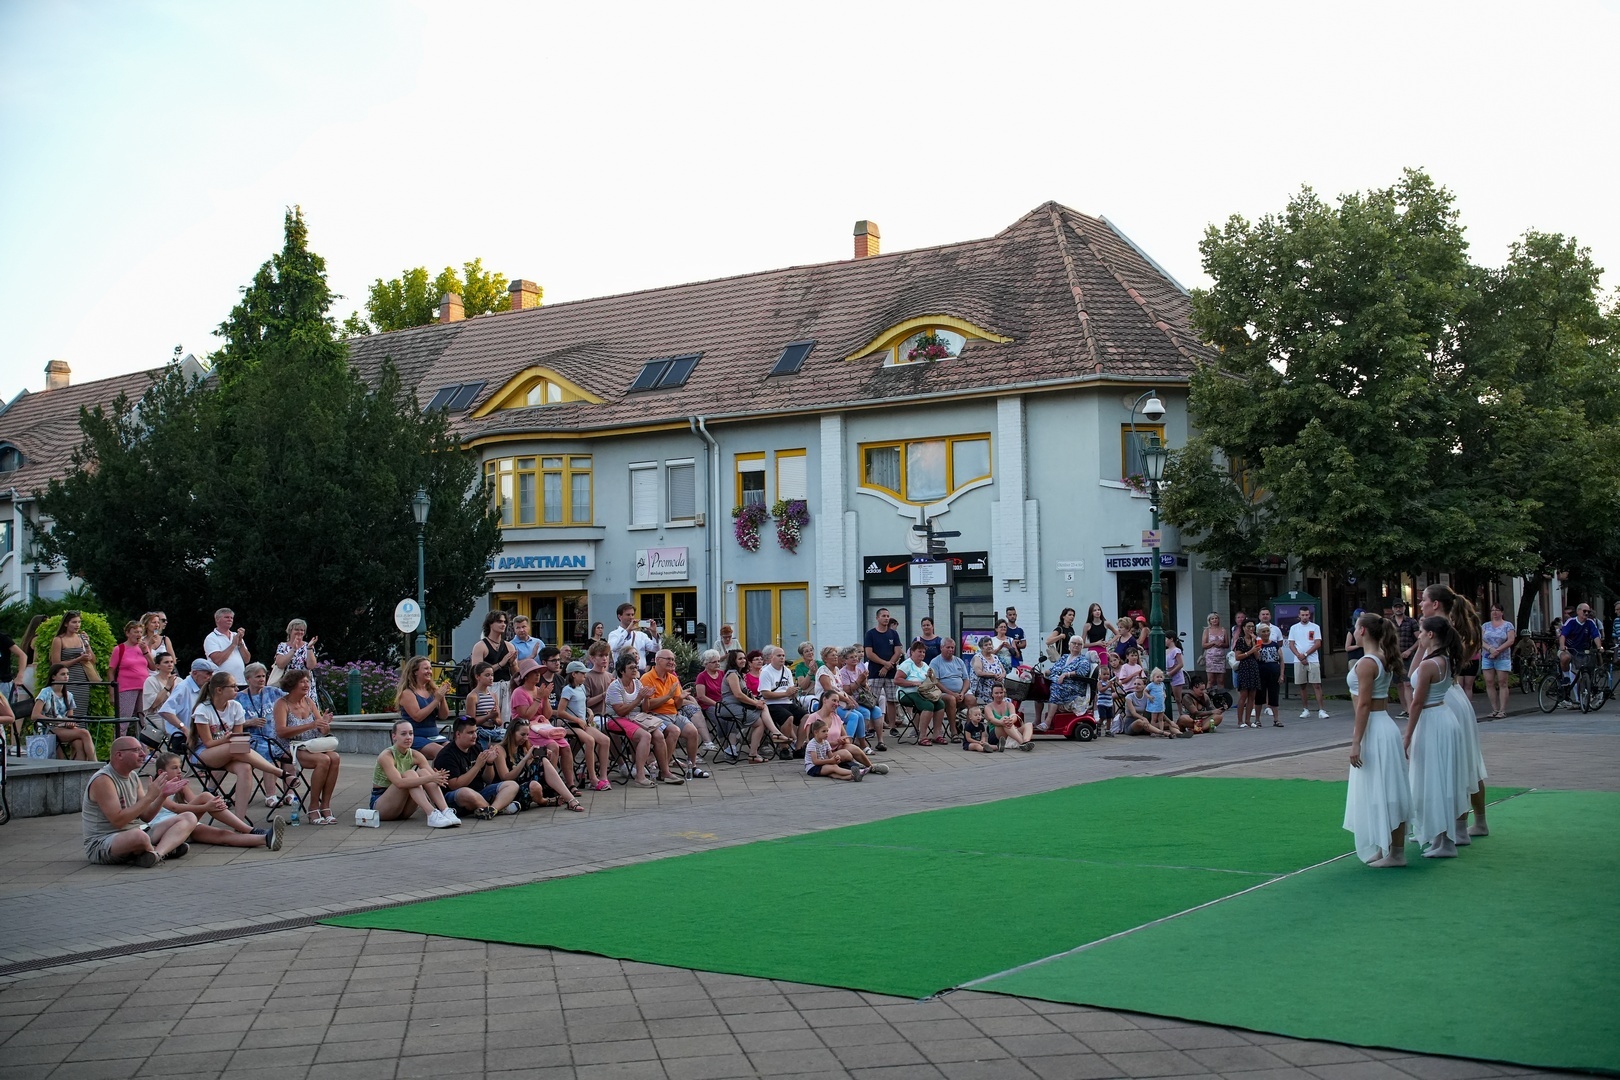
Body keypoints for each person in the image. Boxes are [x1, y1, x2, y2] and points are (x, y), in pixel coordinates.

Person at [1344, 613, 1412, 867]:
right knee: (1383, 787)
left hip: (1375, 726)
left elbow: (1363, 704)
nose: (1354, 630)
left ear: (1362, 631)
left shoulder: (1367, 663)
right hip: (1382, 725)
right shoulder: (1381, 657)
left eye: (1356, 627)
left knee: (1386, 789)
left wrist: (1356, 741)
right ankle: (1388, 847)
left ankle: (1396, 852)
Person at [1421, 583, 1488, 839]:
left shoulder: (1439, 630)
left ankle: (1457, 826)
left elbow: (1421, 671)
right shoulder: (1454, 627)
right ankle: (1475, 822)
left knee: (1451, 764)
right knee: (1468, 761)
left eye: (1424, 600)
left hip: (1444, 698)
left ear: (1435, 604)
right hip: (1454, 695)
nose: (1421, 604)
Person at [1404, 617, 1466, 858]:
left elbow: (1417, 702)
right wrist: (1422, 647)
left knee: (1436, 777)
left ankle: (1446, 840)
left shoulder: (1432, 664)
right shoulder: (1441, 659)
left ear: (1430, 634)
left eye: (1421, 631)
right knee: (1438, 777)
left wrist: (1407, 735)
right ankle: (1441, 836)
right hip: (1440, 717)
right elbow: (1411, 675)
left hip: (1432, 720)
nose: (1418, 635)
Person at [190, 671, 289, 822]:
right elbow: (208, 743)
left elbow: (238, 739)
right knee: (234, 747)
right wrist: (227, 739)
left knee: (245, 768)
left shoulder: (235, 706)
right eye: (233, 686)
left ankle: (239, 821)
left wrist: (232, 740)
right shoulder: (203, 710)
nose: (237, 689)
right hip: (205, 753)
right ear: (219, 690)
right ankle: (279, 772)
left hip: (231, 751)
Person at [83, 737, 197, 866]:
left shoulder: (133, 776)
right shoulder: (103, 780)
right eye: (136, 750)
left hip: (135, 833)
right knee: (140, 837)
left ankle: (156, 854)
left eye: (142, 749)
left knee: (189, 817)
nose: (143, 754)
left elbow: (146, 816)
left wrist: (162, 795)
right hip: (103, 843)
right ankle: (162, 849)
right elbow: (118, 822)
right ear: (119, 755)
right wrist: (150, 796)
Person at [150, 751, 285, 850]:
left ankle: (266, 838)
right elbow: (175, 808)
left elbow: (194, 802)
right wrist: (207, 807)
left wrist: (212, 805)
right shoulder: (157, 787)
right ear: (161, 772)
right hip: (164, 827)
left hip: (185, 822)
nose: (179, 771)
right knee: (205, 797)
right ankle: (250, 830)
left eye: (180, 767)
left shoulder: (181, 785)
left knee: (222, 834)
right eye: (174, 768)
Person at [270, 669, 341, 824]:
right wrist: (310, 725)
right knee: (323, 760)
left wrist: (325, 724)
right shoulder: (282, 704)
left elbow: (322, 730)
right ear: (292, 684)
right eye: (302, 681)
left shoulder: (309, 701)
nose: (306, 684)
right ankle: (313, 807)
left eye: (307, 681)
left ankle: (325, 805)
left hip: (310, 745)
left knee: (335, 757)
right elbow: (281, 731)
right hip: (288, 746)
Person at [605, 653, 682, 786]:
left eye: (636, 667)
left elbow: (645, 709)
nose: (635, 670)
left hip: (636, 717)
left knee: (658, 735)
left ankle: (665, 772)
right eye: (631, 667)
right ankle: (640, 776)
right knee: (645, 736)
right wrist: (639, 698)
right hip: (616, 719)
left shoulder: (637, 683)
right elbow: (620, 711)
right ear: (622, 671)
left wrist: (646, 698)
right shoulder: (615, 686)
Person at [371, 720, 458, 827]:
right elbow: (399, 783)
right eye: (403, 734)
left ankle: (445, 810)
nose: (408, 737)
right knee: (410, 774)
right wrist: (431, 778)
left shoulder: (416, 754)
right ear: (394, 736)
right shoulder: (386, 756)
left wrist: (439, 777)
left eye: (411, 733)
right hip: (382, 806)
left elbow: (432, 777)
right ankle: (431, 813)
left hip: (404, 809)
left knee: (423, 772)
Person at [435, 717, 527, 819]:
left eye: (475, 731)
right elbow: (454, 785)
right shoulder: (447, 755)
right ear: (458, 734)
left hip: (479, 792)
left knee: (512, 785)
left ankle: (492, 810)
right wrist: (477, 766)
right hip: (454, 797)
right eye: (470, 733)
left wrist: (489, 763)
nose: (475, 736)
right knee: (466, 792)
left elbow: (487, 780)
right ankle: (497, 808)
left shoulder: (475, 747)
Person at [641, 648, 711, 778]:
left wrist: (680, 698)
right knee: (674, 731)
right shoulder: (647, 678)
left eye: (673, 659)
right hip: (656, 715)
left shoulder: (673, 678)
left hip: (673, 714)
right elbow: (648, 706)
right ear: (657, 660)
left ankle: (692, 767)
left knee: (693, 731)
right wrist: (668, 696)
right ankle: (665, 770)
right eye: (668, 659)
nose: (672, 662)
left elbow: (677, 705)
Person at [511, 658, 578, 790]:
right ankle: (551, 785)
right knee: (553, 746)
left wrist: (545, 697)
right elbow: (526, 716)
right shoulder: (519, 692)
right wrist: (538, 699)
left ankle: (570, 784)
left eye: (538, 672)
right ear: (526, 676)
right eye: (534, 672)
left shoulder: (539, 690)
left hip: (542, 727)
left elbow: (547, 715)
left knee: (566, 747)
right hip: (526, 728)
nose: (538, 675)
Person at [494, 717, 578, 809]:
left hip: (525, 784)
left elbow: (531, 769)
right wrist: (525, 759)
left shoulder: (522, 747)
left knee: (543, 761)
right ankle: (544, 801)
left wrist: (544, 759)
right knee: (534, 786)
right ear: (512, 733)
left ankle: (571, 799)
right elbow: (505, 778)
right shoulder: (500, 749)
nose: (525, 738)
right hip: (510, 791)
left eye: (527, 735)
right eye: (522, 734)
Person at [238, 662, 289, 803]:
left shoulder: (273, 692)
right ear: (248, 679)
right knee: (270, 751)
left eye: (263, 676)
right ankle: (270, 795)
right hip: (252, 739)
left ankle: (289, 793)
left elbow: (292, 699)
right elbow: (229, 724)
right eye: (258, 677)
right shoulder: (238, 698)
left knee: (290, 751)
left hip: (274, 736)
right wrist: (249, 723)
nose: (262, 679)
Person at [557, 660, 612, 790]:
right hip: (571, 725)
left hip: (583, 723)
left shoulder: (581, 687)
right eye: (582, 674)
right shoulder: (567, 690)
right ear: (574, 674)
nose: (585, 676)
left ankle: (603, 776)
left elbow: (581, 704)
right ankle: (592, 778)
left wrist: (589, 711)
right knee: (590, 740)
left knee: (605, 740)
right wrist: (577, 720)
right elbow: (560, 711)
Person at [32, 662, 97, 761]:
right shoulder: (46, 692)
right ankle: (95, 763)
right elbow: (34, 715)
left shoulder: (69, 695)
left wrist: (70, 723)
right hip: (49, 728)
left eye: (67, 674)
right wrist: (57, 721)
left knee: (79, 743)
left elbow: (70, 717)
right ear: (53, 677)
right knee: (84, 733)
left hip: (64, 728)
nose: (66, 676)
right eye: (63, 674)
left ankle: (80, 768)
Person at [722, 650, 779, 763]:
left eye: (744, 658)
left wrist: (758, 702)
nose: (743, 660)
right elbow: (738, 695)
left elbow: (747, 694)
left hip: (739, 706)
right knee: (759, 723)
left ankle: (775, 734)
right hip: (729, 707)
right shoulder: (732, 674)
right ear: (733, 661)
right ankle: (754, 753)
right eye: (740, 658)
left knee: (763, 707)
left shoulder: (739, 674)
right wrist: (755, 703)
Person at [396, 655, 449, 760]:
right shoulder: (407, 693)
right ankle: (436, 771)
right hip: (415, 736)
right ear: (415, 672)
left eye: (430, 668)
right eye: (425, 669)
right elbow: (418, 717)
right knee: (442, 753)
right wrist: (436, 700)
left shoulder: (433, 691)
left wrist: (442, 698)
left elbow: (444, 716)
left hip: (434, 736)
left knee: (456, 751)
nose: (429, 671)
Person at [863, 608, 903, 749]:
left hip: (891, 672)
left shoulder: (893, 634)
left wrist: (888, 665)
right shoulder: (870, 634)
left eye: (888, 616)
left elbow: (898, 651)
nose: (886, 618)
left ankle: (892, 726)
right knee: (872, 700)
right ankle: (871, 727)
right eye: (883, 616)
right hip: (875, 672)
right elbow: (869, 653)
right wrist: (883, 663)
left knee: (892, 700)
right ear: (877, 618)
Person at [158, 658, 215, 756]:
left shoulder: (203, 687)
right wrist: (184, 729)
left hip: (199, 736)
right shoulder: (183, 687)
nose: (210, 677)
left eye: (211, 674)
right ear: (195, 673)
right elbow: (165, 711)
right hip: (183, 738)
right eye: (208, 674)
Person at [50, 610, 100, 718]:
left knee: (81, 712)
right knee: (67, 711)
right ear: (66, 624)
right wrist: (78, 659)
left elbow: (93, 660)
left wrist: (87, 646)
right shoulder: (59, 640)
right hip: (67, 679)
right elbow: (56, 664)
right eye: (74, 622)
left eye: (79, 622)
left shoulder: (81, 637)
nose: (77, 625)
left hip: (82, 680)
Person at [756, 646, 806, 750]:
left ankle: (798, 747)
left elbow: (790, 690)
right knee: (788, 717)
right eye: (779, 655)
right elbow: (765, 694)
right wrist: (786, 694)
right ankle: (784, 748)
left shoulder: (787, 671)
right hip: (771, 704)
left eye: (783, 655)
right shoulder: (766, 672)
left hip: (787, 702)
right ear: (772, 657)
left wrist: (793, 692)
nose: (782, 658)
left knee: (806, 717)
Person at [895, 640, 944, 744]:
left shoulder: (925, 665)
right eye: (919, 651)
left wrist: (930, 677)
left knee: (940, 704)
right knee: (928, 705)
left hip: (923, 692)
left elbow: (929, 681)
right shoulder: (906, 664)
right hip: (906, 693)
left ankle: (937, 734)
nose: (922, 654)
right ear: (912, 652)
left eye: (923, 652)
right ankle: (922, 736)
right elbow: (897, 680)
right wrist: (913, 683)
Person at [469, 610, 516, 716]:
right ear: (490, 623)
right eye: (499, 621)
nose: (503, 624)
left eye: (504, 622)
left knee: (506, 719)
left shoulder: (509, 646)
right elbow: (476, 672)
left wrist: (512, 663)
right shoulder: (480, 646)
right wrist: (501, 663)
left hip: (507, 686)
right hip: (489, 687)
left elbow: (515, 674)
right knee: (489, 717)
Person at [1042, 636, 1094, 727]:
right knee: (1039, 688)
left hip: (1073, 686)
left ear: (1082, 647)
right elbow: (1053, 669)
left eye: (1079, 644)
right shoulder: (1064, 657)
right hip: (1058, 682)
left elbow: (1082, 672)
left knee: (1056, 688)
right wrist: (1045, 672)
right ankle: (1037, 720)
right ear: (1069, 644)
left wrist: (1067, 674)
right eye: (1074, 643)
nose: (1076, 645)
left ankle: (1047, 722)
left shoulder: (1083, 660)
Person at [1287, 607, 1327, 718]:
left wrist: (1305, 655)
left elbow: (1317, 643)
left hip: (1312, 659)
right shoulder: (1294, 628)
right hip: (1298, 660)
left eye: (1306, 615)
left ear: (1309, 615)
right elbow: (1291, 644)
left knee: (1316, 685)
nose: (1305, 617)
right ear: (1299, 616)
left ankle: (1321, 710)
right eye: (1303, 615)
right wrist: (1299, 656)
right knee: (1302, 685)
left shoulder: (1315, 627)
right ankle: (1305, 709)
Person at [1479, 603, 1516, 719]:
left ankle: (1502, 710)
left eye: (1497, 610)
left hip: (1502, 657)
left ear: (1502, 612)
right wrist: (1490, 649)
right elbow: (1480, 640)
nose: (1494, 613)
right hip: (1487, 656)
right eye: (1492, 610)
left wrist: (1497, 650)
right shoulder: (1485, 626)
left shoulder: (1508, 625)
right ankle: (1494, 709)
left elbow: (1510, 640)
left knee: (1502, 682)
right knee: (1489, 682)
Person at [928, 637, 971, 733]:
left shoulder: (959, 661)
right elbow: (935, 681)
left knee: (971, 700)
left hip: (960, 693)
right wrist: (952, 693)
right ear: (941, 648)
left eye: (952, 647)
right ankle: (953, 730)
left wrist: (962, 693)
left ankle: (969, 730)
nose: (951, 649)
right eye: (948, 647)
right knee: (951, 699)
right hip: (943, 694)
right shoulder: (935, 662)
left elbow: (966, 680)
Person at [109, 620, 149, 725]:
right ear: (128, 633)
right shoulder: (119, 649)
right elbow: (111, 671)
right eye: (136, 632)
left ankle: (142, 736)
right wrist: (112, 693)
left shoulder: (143, 648)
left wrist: (146, 651)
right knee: (124, 720)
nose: (139, 635)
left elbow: (153, 667)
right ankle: (120, 736)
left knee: (144, 721)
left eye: (140, 632)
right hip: (127, 688)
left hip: (144, 687)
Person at [203, 607, 251, 688]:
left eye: (231, 618)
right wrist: (233, 645)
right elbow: (218, 660)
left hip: (241, 682)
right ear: (217, 619)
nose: (230, 620)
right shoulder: (211, 638)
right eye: (226, 617)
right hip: (222, 683)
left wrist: (240, 644)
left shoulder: (235, 635)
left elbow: (247, 660)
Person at [460, 663, 502, 746]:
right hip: (480, 731)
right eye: (487, 675)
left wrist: (494, 718)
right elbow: (470, 721)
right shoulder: (473, 696)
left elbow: (499, 721)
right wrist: (488, 716)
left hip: (493, 730)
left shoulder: (493, 695)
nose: (491, 678)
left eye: (492, 675)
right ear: (477, 677)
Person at [272, 619, 319, 693]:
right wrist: (293, 650)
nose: (300, 632)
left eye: (302, 630)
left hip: (305, 684)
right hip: (288, 683)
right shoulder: (282, 646)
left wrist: (309, 648)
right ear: (290, 631)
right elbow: (280, 664)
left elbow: (311, 666)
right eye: (296, 629)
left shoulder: (308, 646)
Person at [1254, 610, 1282, 725]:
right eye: (1263, 632)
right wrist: (1258, 646)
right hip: (1261, 673)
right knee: (1259, 696)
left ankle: (1276, 719)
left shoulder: (1274, 645)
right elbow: (1257, 658)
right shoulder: (1257, 645)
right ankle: (1257, 719)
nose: (1266, 633)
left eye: (1267, 631)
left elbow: (1281, 660)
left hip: (1274, 672)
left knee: (1273, 695)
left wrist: (1281, 674)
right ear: (1259, 633)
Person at [985, 682, 1032, 750]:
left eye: (1001, 693)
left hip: (1010, 729)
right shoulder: (988, 707)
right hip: (996, 733)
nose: (999, 695)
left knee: (1029, 725)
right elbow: (991, 719)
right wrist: (1001, 722)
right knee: (1005, 721)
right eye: (996, 693)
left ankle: (1026, 741)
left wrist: (1011, 720)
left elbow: (1014, 716)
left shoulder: (1009, 704)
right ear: (992, 694)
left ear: (1004, 693)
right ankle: (1022, 743)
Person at [1232, 622, 1260, 728]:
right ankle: (1240, 721)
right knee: (1243, 695)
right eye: (1248, 627)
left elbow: (1258, 656)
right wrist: (1249, 652)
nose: (1251, 629)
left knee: (1252, 696)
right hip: (1244, 668)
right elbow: (1237, 656)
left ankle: (1248, 720)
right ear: (1243, 628)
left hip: (1254, 667)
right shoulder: (1240, 640)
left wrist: (1254, 643)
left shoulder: (1256, 640)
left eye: (1252, 627)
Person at [969, 636, 1006, 709]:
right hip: (984, 688)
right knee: (999, 701)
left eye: (990, 644)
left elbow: (1004, 671)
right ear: (981, 647)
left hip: (998, 687)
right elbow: (979, 672)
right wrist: (993, 675)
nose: (989, 646)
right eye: (986, 645)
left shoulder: (995, 657)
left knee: (1008, 701)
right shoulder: (978, 657)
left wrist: (1002, 675)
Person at [1200, 613, 1228, 690]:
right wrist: (1213, 643)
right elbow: (1204, 645)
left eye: (1216, 618)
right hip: (1210, 658)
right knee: (1210, 680)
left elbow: (1227, 644)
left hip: (1221, 658)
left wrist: (1221, 644)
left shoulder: (1223, 630)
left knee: (1221, 680)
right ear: (1209, 621)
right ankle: (1208, 695)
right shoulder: (1207, 631)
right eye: (1212, 619)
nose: (1214, 620)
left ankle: (1221, 695)